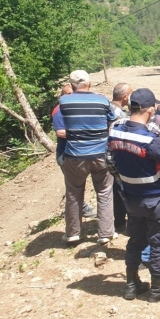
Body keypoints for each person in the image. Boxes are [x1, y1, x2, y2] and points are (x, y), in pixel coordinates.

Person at [108, 88, 160, 301]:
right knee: (159, 241)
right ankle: (158, 289)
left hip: (131, 197)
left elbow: (112, 161)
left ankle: (132, 285)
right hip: (155, 198)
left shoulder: (116, 131)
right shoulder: (150, 141)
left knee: (136, 240)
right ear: (150, 110)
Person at [56, 70, 118, 245]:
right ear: (89, 84)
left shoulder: (64, 101)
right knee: (105, 192)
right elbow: (111, 121)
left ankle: (73, 233)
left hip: (75, 155)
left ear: (72, 85)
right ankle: (105, 233)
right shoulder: (102, 100)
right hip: (100, 153)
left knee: (74, 193)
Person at [52, 84, 95, 220]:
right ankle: (80, 212)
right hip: (65, 154)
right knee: (74, 186)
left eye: (73, 93)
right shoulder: (59, 110)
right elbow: (60, 132)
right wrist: (84, 132)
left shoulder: (76, 107)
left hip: (79, 152)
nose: (72, 96)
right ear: (63, 96)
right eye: (68, 94)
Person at [110, 83, 133, 232]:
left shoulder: (107, 107)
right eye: (131, 94)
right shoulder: (119, 114)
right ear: (125, 96)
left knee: (114, 188)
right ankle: (124, 221)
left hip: (107, 153)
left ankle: (118, 220)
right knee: (121, 188)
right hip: (116, 154)